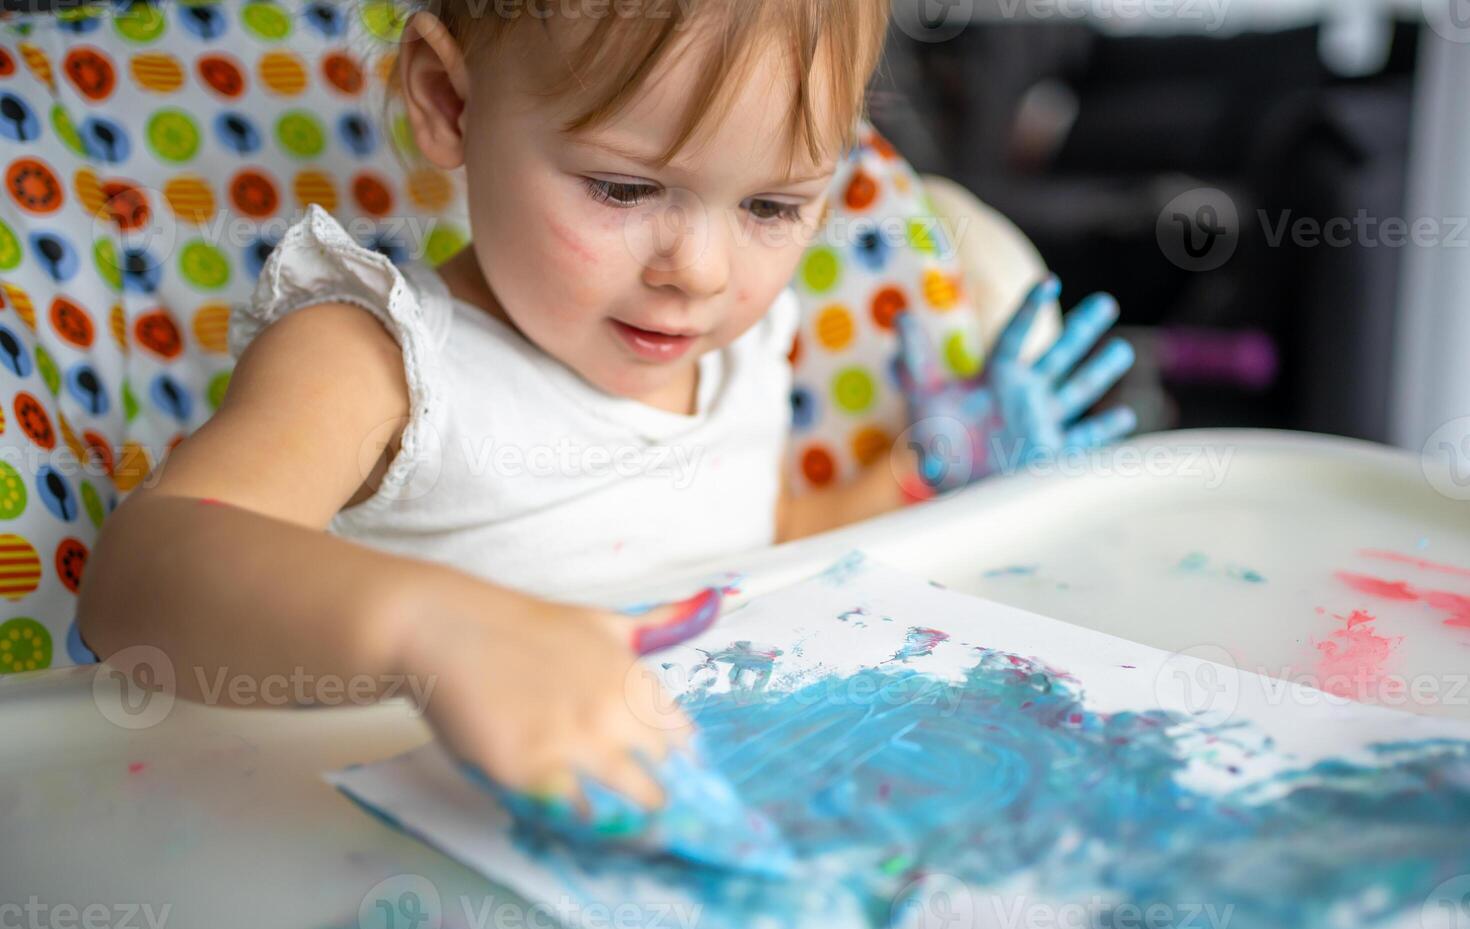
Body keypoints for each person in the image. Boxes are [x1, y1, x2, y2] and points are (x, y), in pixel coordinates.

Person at [80, 0, 1133, 815]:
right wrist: (430, 626)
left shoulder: (746, 340)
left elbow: (752, 553)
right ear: (452, 103)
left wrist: (927, 475)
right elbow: (142, 571)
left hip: (662, 828)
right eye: (626, 189)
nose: (702, 271)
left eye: (772, 205)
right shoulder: (379, 357)